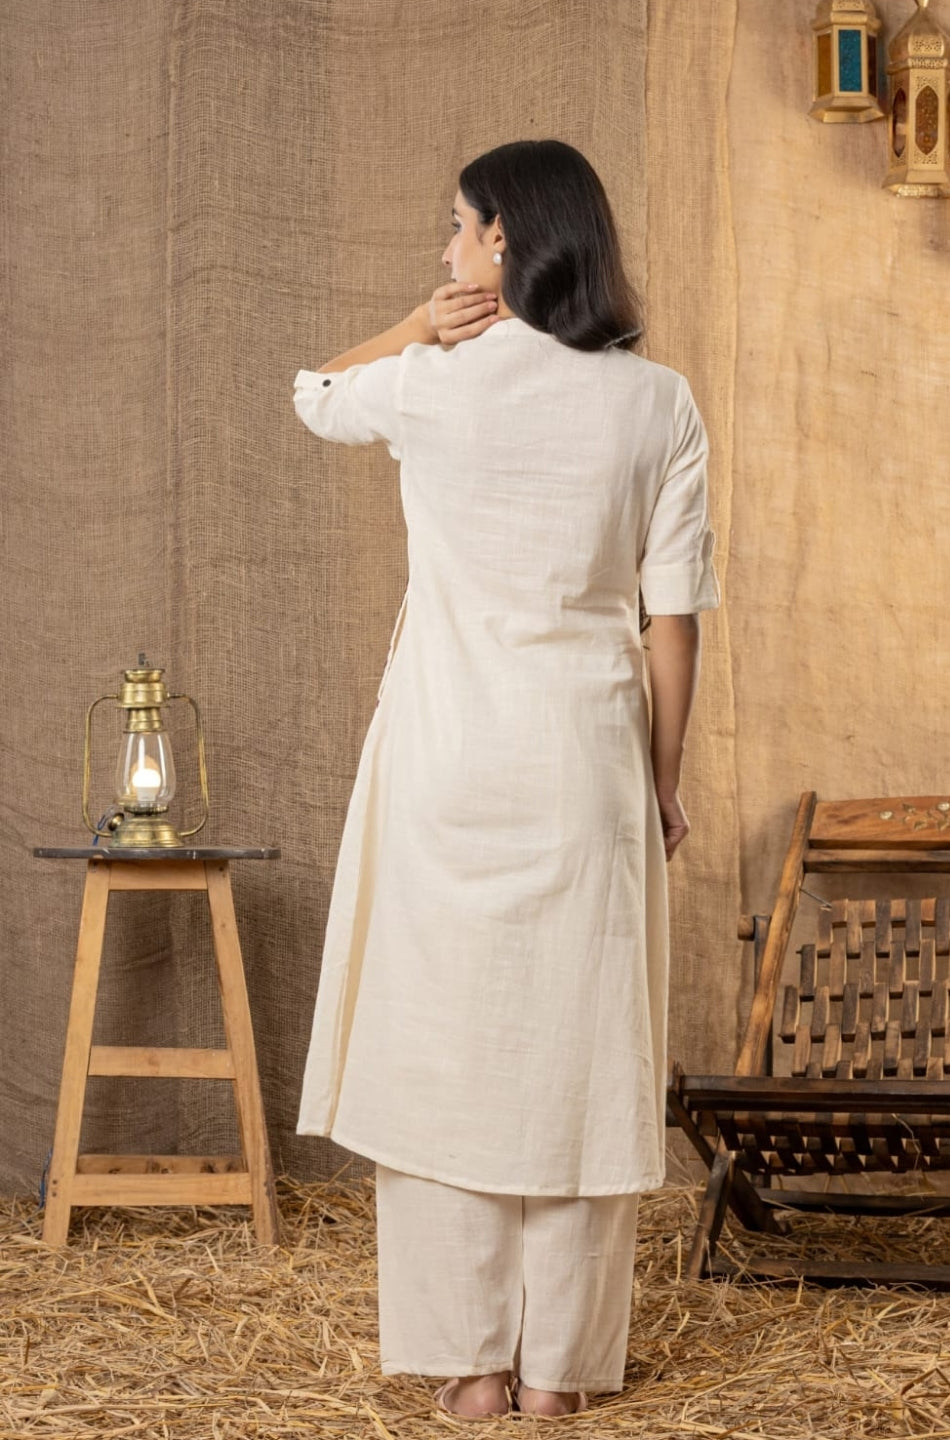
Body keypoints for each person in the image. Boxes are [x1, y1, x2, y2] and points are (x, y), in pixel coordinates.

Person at [293, 139, 718, 1419]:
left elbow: (315, 392)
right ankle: (559, 1378)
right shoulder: (659, 403)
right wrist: (660, 781)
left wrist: (416, 328)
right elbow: (672, 623)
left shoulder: (429, 383)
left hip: (442, 758)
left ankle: (469, 1367)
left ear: (501, 241)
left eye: (456, 227)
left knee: (445, 1051)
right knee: (577, 1056)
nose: (444, 249)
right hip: (583, 763)